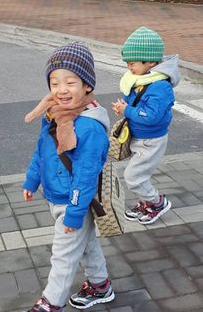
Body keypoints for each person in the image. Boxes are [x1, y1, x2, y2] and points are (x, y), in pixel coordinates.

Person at [22, 41, 115, 312]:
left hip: (74, 203)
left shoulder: (90, 128)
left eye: (70, 82)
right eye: (54, 82)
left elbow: (86, 177)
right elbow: (42, 152)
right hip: (56, 196)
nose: (61, 90)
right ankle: (100, 286)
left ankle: (51, 303)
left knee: (62, 255)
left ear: (87, 85)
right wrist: (31, 180)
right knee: (85, 245)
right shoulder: (54, 116)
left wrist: (74, 213)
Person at [112, 26, 180, 225]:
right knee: (138, 174)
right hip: (139, 137)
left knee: (133, 176)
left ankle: (157, 202)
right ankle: (146, 202)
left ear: (150, 62)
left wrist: (128, 111)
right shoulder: (143, 78)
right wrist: (123, 106)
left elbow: (150, 116)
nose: (129, 68)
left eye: (132, 63)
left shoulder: (160, 87)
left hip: (151, 141)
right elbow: (132, 98)